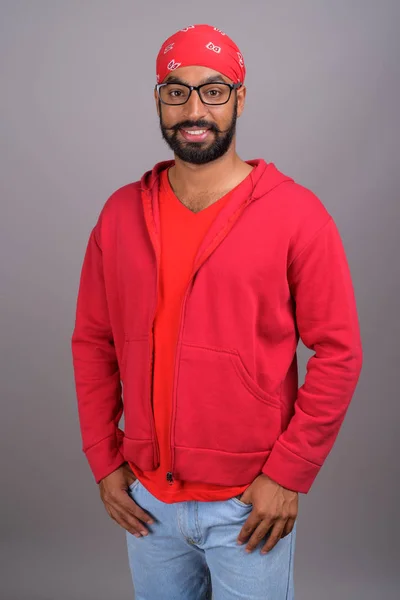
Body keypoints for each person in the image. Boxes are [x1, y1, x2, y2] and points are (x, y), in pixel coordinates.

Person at [71, 23, 363, 600]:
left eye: (214, 89)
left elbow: (339, 351)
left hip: (247, 504)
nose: (194, 108)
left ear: (240, 99)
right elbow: (92, 342)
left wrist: (288, 473)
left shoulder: (297, 216)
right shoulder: (119, 215)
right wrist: (104, 462)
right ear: (158, 98)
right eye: (176, 90)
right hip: (148, 506)